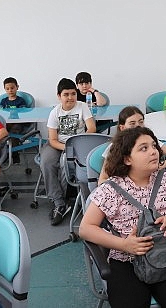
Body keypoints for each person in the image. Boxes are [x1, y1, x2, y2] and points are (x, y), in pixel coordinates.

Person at [79, 126, 166, 308]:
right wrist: (124, 244)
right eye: (144, 148)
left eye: (154, 146)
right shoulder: (110, 189)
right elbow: (86, 228)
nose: (153, 152)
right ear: (127, 159)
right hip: (127, 261)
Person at [41, 78, 96, 225]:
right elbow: (52, 139)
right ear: (59, 96)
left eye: (73, 93)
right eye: (66, 94)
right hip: (58, 144)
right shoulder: (55, 112)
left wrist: (75, 145)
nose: (70, 97)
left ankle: (70, 198)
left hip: (78, 144)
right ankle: (59, 202)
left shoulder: (83, 106)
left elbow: (91, 128)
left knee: (67, 162)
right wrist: (67, 148)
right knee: (47, 162)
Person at [98, 106, 166, 183]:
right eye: (132, 123)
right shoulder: (114, 147)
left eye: (141, 122)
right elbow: (102, 180)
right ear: (122, 128)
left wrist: (159, 166)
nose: (138, 126)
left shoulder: (150, 141)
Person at [0, 77, 28, 163]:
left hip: (18, 123)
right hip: (7, 123)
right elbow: (1, 112)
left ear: (17, 87)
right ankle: (2, 154)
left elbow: (24, 112)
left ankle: (15, 154)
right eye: (7, 89)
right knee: (0, 132)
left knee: (14, 133)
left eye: (12, 88)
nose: (10, 90)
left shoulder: (21, 101)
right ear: (5, 89)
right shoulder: (3, 101)